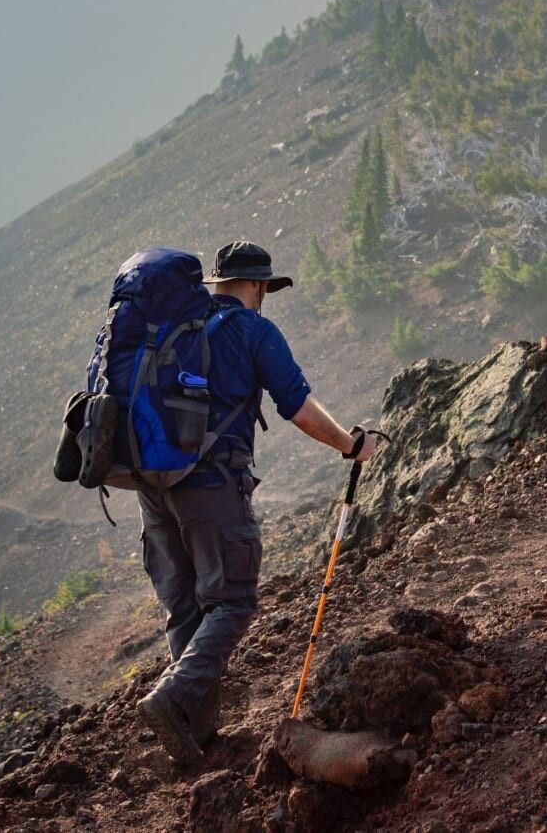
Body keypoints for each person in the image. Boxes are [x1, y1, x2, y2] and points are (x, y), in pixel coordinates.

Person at [135, 240, 382, 765]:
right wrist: (350, 444)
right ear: (257, 286)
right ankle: (172, 699)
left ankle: (195, 739)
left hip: (151, 487)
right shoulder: (252, 330)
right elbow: (297, 405)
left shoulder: (174, 328)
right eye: (265, 287)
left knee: (188, 610)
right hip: (211, 485)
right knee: (232, 602)